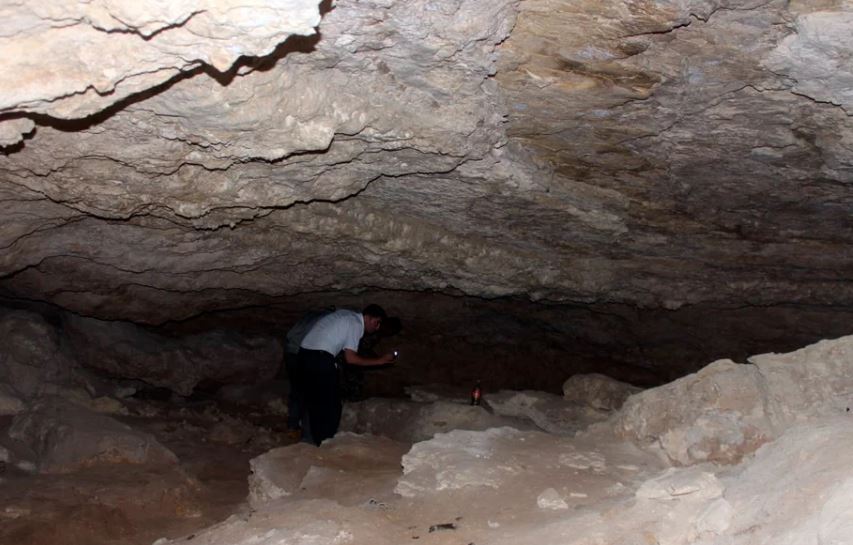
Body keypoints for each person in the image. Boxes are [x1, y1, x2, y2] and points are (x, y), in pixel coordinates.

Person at [295, 304, 396, 445]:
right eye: (376, 322)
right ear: (367, 317)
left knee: (314, 399)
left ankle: (308, 439)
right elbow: (351, 358)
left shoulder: (346, 314)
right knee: (332, 405)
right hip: (320, 357)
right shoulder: (356, 324)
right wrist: (379, 361)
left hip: (303, 355)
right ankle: (325, 442)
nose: (377, 327)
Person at [282, 306, 335, 435]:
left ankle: (293, 425)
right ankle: (308, 431)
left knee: (297, 390)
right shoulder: (326, 321)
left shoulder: (309, 316)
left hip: (290, 351)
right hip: (302, 353)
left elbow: (291, 334)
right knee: (310, 392)